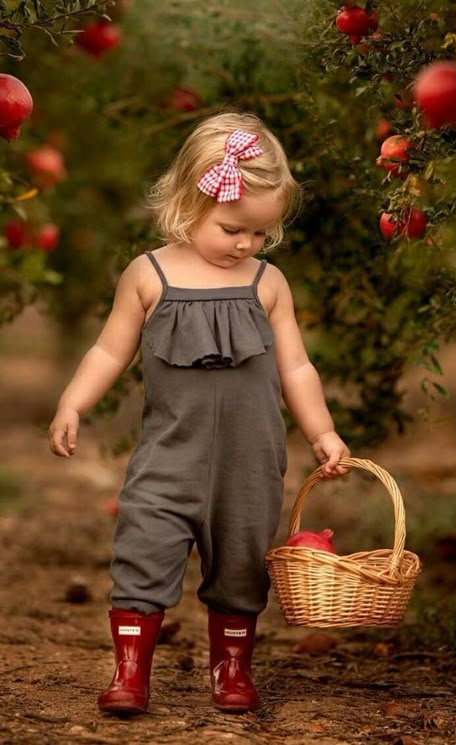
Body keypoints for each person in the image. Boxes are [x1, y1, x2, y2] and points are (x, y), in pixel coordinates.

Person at [49, 112, 350, 716]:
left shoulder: (268, 284)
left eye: (259, 235)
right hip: (169, 456)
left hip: (249, 462)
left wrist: (322, 430)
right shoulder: (148, 275)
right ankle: (130, 672)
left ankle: (232, 669)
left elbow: (296, 368)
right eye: (233, 228)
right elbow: (109, 348)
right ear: (189, 204)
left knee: (241, 562)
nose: (245, 244)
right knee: (144, 549)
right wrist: (72, 402)